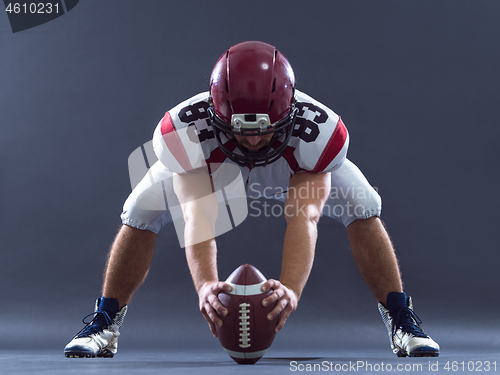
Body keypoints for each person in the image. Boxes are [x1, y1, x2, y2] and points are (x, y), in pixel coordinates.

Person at [64, 41, 439, 359]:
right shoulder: (183, 131)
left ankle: (401, 318)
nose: (254, 141)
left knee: (363, 204)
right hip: (213, 166)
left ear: (290, 112)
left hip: (291, 167)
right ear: (215, 114)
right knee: (140, 207)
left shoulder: (319, 134)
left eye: (265, 129)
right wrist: (206, 285)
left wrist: (290, 287)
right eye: (240, 129)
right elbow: (198, 214)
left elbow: (303, 217)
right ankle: (106, 322)